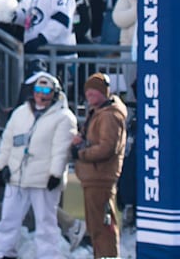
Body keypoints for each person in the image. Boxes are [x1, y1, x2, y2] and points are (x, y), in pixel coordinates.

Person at [0, 72, 76, 259]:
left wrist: (55, 173)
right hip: (17, 175)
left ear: (54, 92)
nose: (41, 94)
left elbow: (61, 148)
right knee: (8, 219)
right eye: (38, 89)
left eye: (46, 90)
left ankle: (48, 255)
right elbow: (8, 142)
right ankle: (3, 253)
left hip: (43, 179)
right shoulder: (21, 113)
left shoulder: (63, 117)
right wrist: (0, 167)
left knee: (46, 223)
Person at [73, 73, 127, 259]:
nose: (89, 94)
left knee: (104, 229)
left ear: (103, 92)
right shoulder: (98, 113)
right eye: (87, 91)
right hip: (93, 178)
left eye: (94, 91)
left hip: (101, 179)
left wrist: (81, 153)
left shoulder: (110, 116)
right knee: (96, 228)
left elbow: (106, 148)